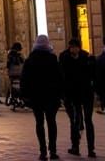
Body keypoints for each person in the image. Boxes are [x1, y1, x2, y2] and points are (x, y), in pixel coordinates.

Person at [21, 33, 63, 161]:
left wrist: (25, 95)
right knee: (51, 122)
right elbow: (60, 78)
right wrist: (60, 94)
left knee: (39, 123)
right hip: (51, 96)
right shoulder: (52, 59)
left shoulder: (30, 60)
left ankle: (43, 150)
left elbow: (24, 79)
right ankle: (53, 150)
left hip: (36, 97)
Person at [59, 38, 96, 158]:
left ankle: (90, 149)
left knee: (87, 120)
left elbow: (92, 73)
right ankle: (76, 146)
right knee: (75, 120)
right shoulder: (64, 57)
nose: (73, 49)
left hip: (84, 93)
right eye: (71, 47)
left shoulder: (86, 56)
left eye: (75, 47)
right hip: (72, 94)